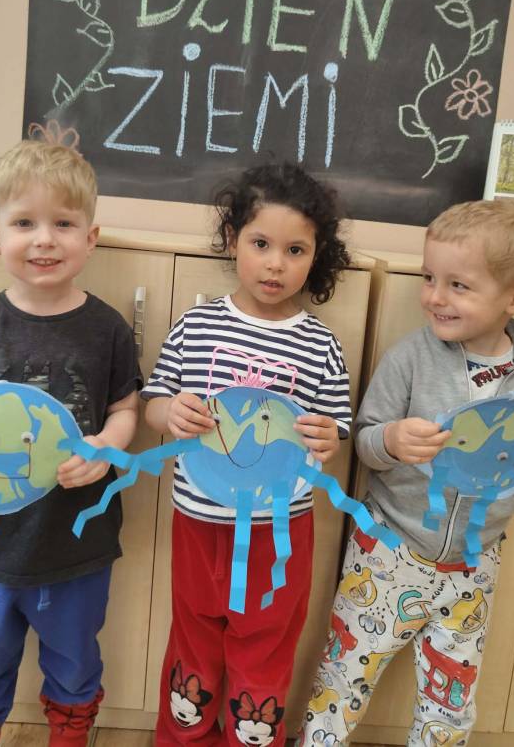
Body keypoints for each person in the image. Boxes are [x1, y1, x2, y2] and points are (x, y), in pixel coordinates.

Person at [297, 199, 514, 747]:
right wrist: (392, 440)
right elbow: (364, 441)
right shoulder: (409, 357)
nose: (434, 296)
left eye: (459, 285)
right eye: (429, 278)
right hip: (389, 551)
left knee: (451, 697)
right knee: (344, 676)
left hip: (476, 559)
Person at [0, 130, 142, 747]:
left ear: (90, 237)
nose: (44, 239)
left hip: (78, 540)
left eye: (63, 223)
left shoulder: (108, 329)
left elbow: (126, 409)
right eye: (24, 223)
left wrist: (106, 446)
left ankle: (70, 732)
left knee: (75, 657)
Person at [143, 161, 353, 747]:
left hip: (277, 532)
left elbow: (334, 432)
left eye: (295, 250)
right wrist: (170, 413)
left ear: (316, 256)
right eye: (261, 244)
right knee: (193, 646)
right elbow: (155, 403)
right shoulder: (197, 325)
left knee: (265, 648)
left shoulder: (320, 344)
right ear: (234, 239)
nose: (275, 264)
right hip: (198, 523)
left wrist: (326, 438)